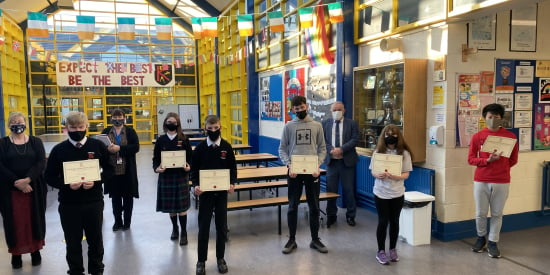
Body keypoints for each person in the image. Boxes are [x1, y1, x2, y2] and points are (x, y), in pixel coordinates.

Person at [45, 111, 113, 275]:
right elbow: (49, 176)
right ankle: (75, 271)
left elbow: (110, 170)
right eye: (73, 127)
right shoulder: (59, 150)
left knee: (95, 240)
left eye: (80, 127)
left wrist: (97, 180)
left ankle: (97, 270)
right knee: (73, 242)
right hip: (69, 204)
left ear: (87, 127)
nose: (77, 130)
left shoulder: (97, 146)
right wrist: (66, 185)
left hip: (93, 202)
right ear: (66, 128)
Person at [468, 103, 518, 258]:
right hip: (481, 179)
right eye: (490, 117)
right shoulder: (478, 136)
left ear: (501, 118)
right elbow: (471, 159)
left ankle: (493, 242)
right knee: (480, 213)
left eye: (496, 117)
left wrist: (501, 167)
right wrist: (487, 161)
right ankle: (481, 238)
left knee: (497, 213)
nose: (493, 120)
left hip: (502, 180)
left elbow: (513, 159)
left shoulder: (510, 137)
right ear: (484, 118)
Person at [278, 95, 327, 254]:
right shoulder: (288, 127)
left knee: (314, 206)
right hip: (294, 173)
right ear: (293, 110)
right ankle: (291, 239)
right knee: (292, 206)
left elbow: (322, 148)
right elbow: (282, 149)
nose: (299, 110)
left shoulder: (317, 125)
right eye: (296, 108)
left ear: (307, 106)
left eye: (302, 107)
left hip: (312, 173)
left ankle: (315, 239)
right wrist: (289, 164)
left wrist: (318, 165)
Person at [0, 112, 47, 269]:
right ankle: (16, 254)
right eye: (13, 121)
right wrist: (17, 182)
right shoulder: (3, 143)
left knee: (35, 220)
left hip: (33, 189)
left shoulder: (36, 142)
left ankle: (35, 251)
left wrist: (27, 180)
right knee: (14, 223)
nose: (16, 124)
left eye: (19, 121)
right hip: (10, 191)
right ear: (8, 125)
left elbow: (41, 162)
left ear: (26, 123)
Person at [191, 115, 237, 275]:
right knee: (203, 227)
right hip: (205, 195)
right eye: (209, 129)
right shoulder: (199, 149)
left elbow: (233, 168)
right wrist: (195, 185)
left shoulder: (227, 147)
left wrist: (232, 182)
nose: (213, 131)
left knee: (221, 227)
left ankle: (220, 258)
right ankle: (201, 261)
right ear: (205, 129)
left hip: (221, 194)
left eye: (215, 128)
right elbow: (193, 171)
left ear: (220, 128)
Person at [369, 124, 412, 265]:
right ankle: (380, 251)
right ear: (383, 136)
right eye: (387, 135)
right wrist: (378, 174)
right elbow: (372, 171)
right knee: (383, 221)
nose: (390, 137)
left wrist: (395, 176)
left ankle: (392, 249)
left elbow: (406, 174)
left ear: (398, 136)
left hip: (397, 193)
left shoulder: (404, 153)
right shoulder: (378, 152)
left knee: (394, 221)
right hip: (381, 192)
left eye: (393, 134)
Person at [153, 112, 193, 246]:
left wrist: (189, 166)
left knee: (182, 208)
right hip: (166, 177)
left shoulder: (184, 139)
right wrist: (157, 168)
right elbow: (156, 159)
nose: (171, 124)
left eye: (174, 122)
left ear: (178, 124)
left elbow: (190, 158)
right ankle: (175, 229)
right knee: (171, 207)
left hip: (181, 176)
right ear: (165, 123)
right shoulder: (161, 140)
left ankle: (184, 232)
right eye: (169, 122)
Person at [322, 101, 360, 227]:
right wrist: (331, 150)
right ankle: (331, 215)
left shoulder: (352, 123)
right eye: (334, 110)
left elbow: (355, 139)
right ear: (330, 111)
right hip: (331, 162)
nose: (336, 112)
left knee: (348, 190)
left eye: (339, 109)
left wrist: (341, 149)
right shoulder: (325, 124)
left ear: (344, 110)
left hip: (347, 162)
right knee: (331, 190)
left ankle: (351, 216)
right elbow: (322, 141)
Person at [101, 109, 140, 231]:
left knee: (128, 198)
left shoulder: (130, 131)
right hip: (112, 171)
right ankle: (117, 221)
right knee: (115, 198)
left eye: (120, 116)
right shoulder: (106, 131)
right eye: (114, 116)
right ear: (111, 118)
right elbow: (100, 147)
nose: (117, 119)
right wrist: (107, 149)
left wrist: (119, 149)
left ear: (124, 117)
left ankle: (127, 222)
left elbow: (135, 147)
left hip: (127, 170)